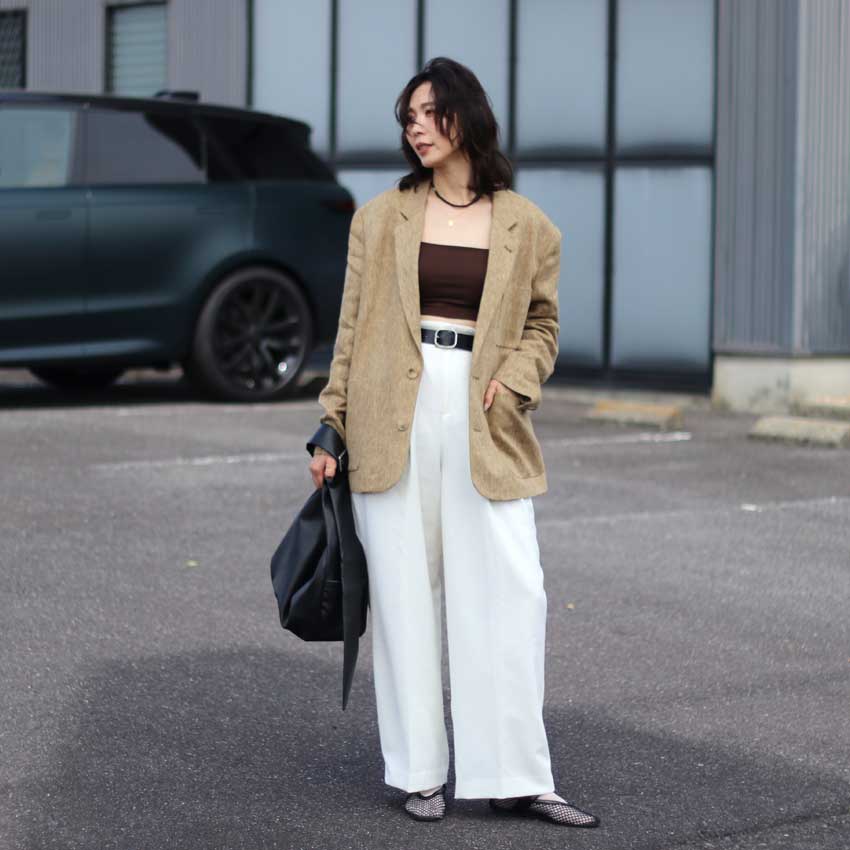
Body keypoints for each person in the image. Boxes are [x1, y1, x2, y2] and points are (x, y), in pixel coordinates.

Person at [308, 56, 599, 829]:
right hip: (390, 411)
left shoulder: (529, 225)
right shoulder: (380, 218)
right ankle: (419, 773)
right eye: (408, 116)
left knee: (512, 591)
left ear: (466, 117)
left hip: (483, 411)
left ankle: (515, 775)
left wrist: (517, 377)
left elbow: (543, 325)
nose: (416, 127)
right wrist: (332, 420)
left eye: (429, 112)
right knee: (405, 597)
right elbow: (350, 329)